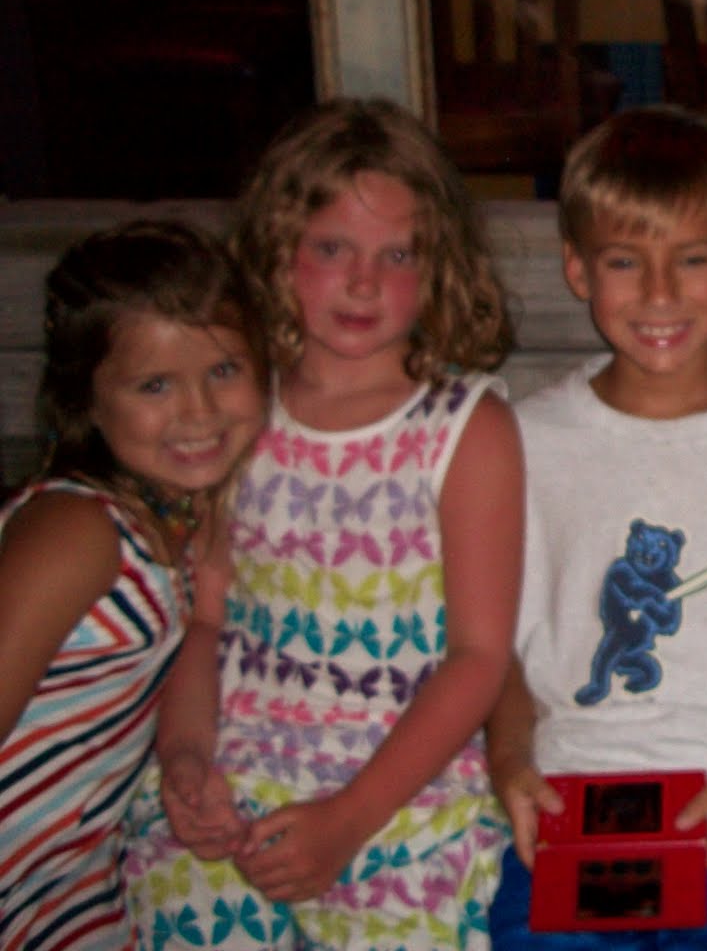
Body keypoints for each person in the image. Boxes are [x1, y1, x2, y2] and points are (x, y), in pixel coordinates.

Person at [122, 98, 525, 949]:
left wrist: (349, 818)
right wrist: (185, 761)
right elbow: (207, 620)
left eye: (398, 254)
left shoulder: (466, 428)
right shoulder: (239, 408)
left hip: (402, 797)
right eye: (333, 248)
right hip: (238, 779)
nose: (364, 282)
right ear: (280, 250)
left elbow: (481, 658)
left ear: (440, 265)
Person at [483, 105, 707, 951]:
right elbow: (496, 646)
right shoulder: (526, 439)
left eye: (691, 259)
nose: (658, 294)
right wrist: (510, 765)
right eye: (623, 261)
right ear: (578, 269)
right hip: (570, 807)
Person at [1, 220, 267, 951]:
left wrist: (186, 760)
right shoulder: (78, 529)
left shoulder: (184, 520)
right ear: (86, 401)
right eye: (155, 385)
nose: (199, 411)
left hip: (70, 877)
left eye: (224, 370)